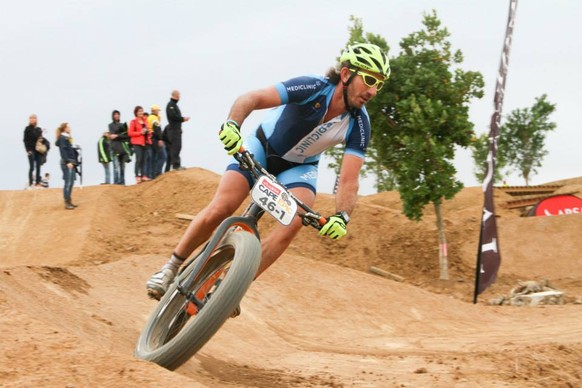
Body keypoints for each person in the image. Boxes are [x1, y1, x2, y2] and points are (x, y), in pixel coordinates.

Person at [146, 43, 391, 311]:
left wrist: (342, 216)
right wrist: (232, 124)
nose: (373, 91)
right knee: (223, 206)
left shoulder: (360, 124)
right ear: (346, 74)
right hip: (262, 147)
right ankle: (170, 267)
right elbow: (252, 99)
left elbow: (349, 180)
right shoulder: (311, 87)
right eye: (369, 80)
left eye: (380, 84)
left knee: (295, 222)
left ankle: (232, 288)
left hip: (299, 167)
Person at [56, 122, 80, 210]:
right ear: (64, 129)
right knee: (68, 183)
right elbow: (63, 151)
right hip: (67, 163)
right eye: (68, 127)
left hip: (71, 162)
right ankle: (67, 202)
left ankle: (69, 200)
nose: (70, 128)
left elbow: (69, 150)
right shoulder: (62, 138)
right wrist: (67, 162)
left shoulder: (67, 138)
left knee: (71, 182)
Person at [165, 90, 190, 171]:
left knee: (178, 147)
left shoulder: (174, 105)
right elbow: (172, 116)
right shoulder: (170, 105)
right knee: (175, 147)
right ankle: (175, 165)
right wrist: (182, 119)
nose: (179, 96)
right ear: (175, 95)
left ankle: (177, 164)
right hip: (173, 130)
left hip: (177, 130)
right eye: (179, 94)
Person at [128, 106, 152, 183]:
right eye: (139, 111)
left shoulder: (145, 121)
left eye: (141, 111)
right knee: (139, 159)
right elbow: (130, 133)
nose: (141, 112)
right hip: (137, 143)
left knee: (144, 160)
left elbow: (149, 130)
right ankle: (137, 176)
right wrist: (140, 132)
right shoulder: (133, 122)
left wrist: (148, 132)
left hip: (145, 142)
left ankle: (143, 175)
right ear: (136, 113)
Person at [108, 110, 130, 185]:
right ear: (113, 116)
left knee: (122, 166)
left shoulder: (122, 125)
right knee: (116, 167)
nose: (116, 116)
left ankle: (122, 182)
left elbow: (127, 136)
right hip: (114, 148)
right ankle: (116, 183)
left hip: (122, 148)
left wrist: (117, 135)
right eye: (115, 114)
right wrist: (120, 135)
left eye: (118, 114)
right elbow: (111, 136)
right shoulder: (111, 125)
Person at [23, 114, 43, 188]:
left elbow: (40, 139)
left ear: (36, 119)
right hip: (31, 150)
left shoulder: (39, 129)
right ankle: (31, 183)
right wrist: (27, 150)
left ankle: (38, 183)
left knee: (38, 166)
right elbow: (25, 140)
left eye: (33, 118)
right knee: (32, 167)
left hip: (38, 150)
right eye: (31, 118)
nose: (32, 119)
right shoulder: (27, 129)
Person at [148, 104, 166, 178]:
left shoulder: (149, 117)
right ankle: (158, 172)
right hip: (155, 139)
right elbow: (157, 129)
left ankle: (152, 175)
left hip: (151, 139)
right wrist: (160, 139)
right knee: (163, 156)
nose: (158, 112)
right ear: (154, 111)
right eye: (157, 110)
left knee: (153, 157)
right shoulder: (154, 118)